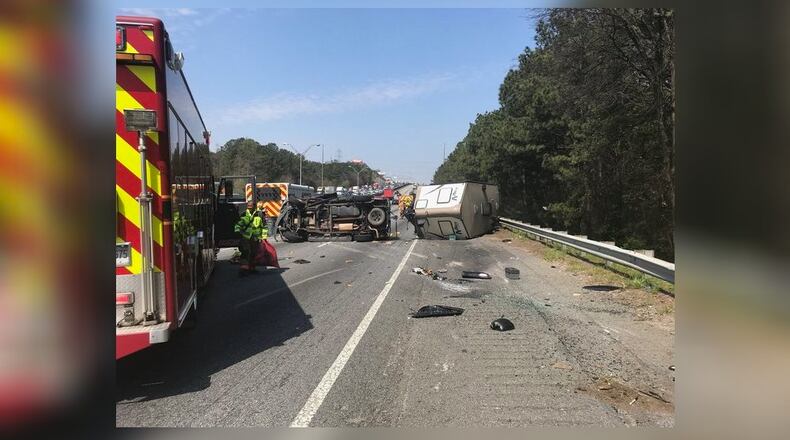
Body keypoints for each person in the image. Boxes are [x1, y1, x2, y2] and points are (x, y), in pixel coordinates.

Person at [235, 200, 267, 275]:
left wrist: (264, 237)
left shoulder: (259, 215)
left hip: (255, 238)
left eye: (251, 206)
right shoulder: (243, 214)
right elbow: (238, 225)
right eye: (248, 206)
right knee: (245, 252)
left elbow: (264, 226)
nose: (250, 208)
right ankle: (244, 269)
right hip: (245, 237)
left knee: (254, 253)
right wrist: (239, 234)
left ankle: (252, 268)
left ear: (255, 207)